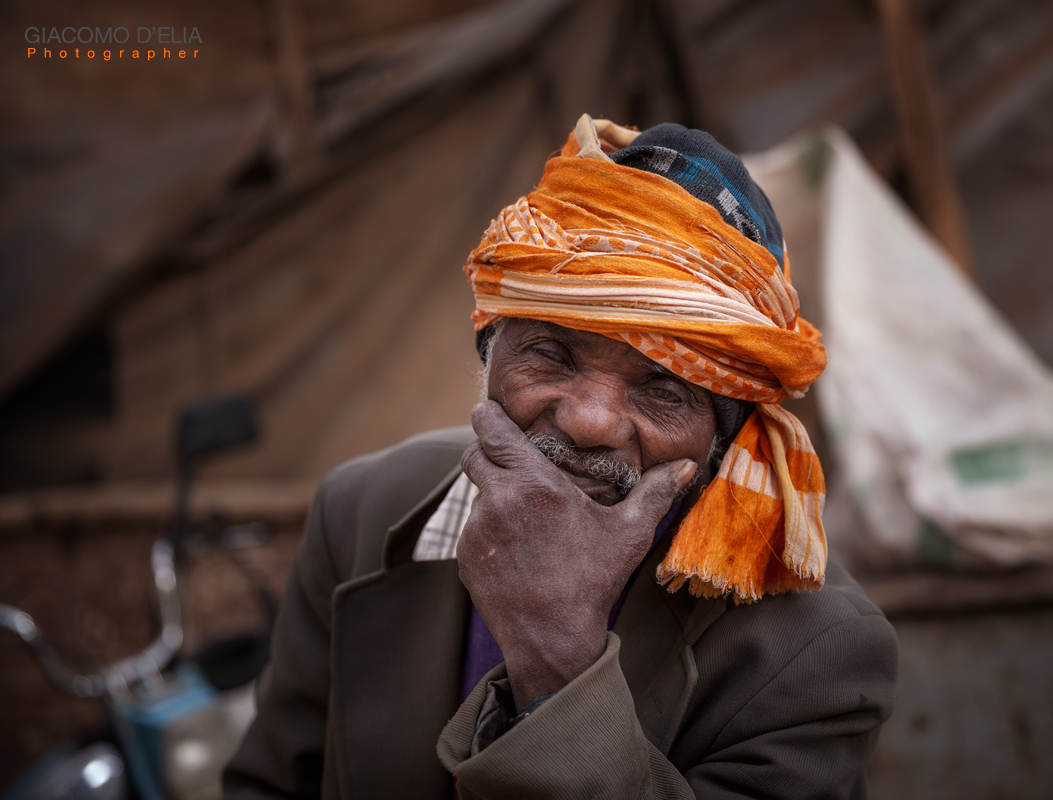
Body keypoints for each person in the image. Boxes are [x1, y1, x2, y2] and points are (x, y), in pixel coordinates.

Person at [224, 115, 898, 800]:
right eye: (552, 354)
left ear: (723, 437)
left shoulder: (816, 653)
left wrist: (560, 663)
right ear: (491, 354)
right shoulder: (363, 511)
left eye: (663, 390)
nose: (589, 421)